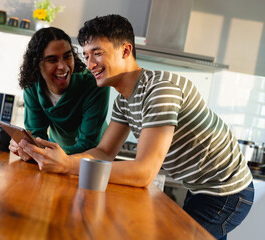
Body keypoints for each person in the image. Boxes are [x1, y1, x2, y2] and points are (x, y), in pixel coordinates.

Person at [14, 15, 254, 240]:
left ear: (126, 50)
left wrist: (67, 165)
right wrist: (59, 160)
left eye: (97, 53)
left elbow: (144, 173)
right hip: (199, 187)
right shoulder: (124, 102)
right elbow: (104, 152)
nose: (89, 64)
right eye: (86, 56)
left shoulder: (161, 90)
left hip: (227, 191)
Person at [9, 27, 110, 159]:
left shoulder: (93, 84)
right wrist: (25, 146)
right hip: (56, 155)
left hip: (91, 159)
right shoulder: (32, 86)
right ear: (37, 64)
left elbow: (87, 144)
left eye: (67, 56)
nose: (63, 66)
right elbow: (37, 135)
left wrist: (45, 152)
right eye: (52, 60)